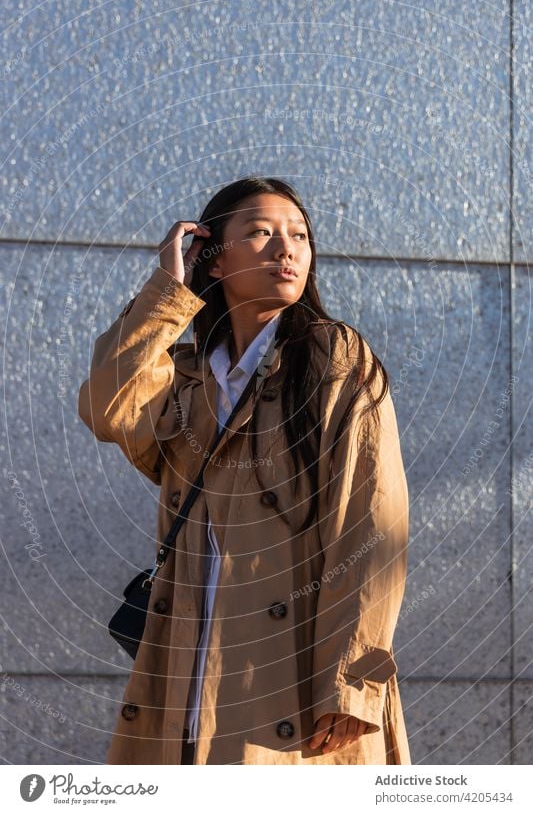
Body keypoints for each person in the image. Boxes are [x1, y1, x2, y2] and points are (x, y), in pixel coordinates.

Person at [78, 175, 411, 765]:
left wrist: (353, 682)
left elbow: (370, 522)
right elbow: (109, 408)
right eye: (260, 233)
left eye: (299, 235)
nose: (287, 249)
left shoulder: (335, 358)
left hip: (296, 683)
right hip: (188, 671)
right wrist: (166, 291)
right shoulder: (187, 375)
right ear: (212, 257)